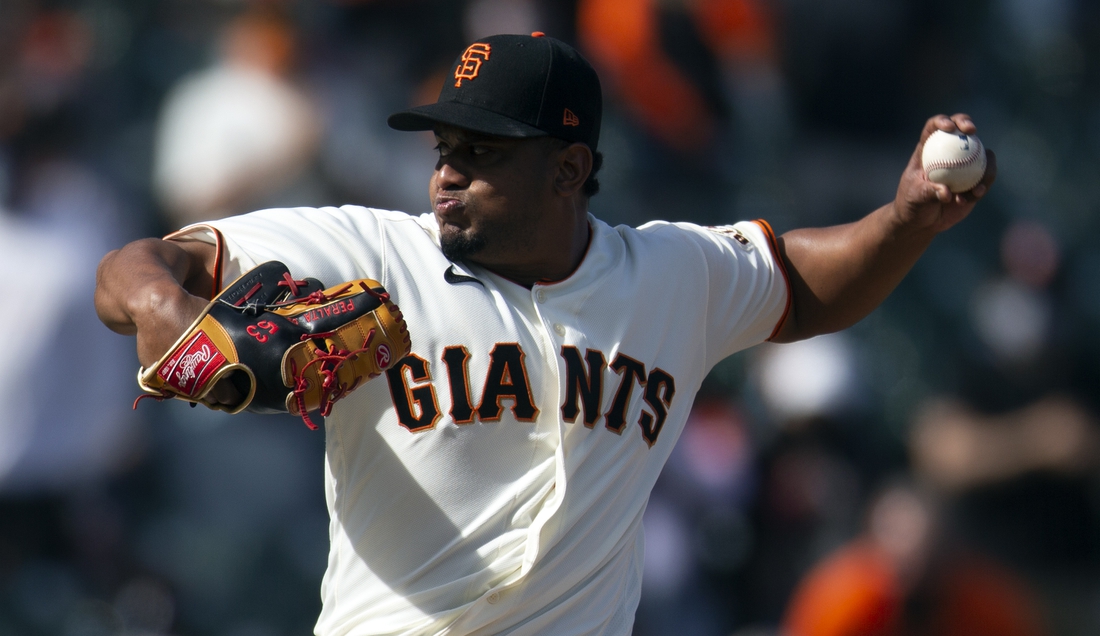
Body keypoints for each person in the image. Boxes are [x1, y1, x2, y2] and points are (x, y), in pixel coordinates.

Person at [94, 33, 995, 635]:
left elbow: (801, 284)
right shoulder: (368, 250)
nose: (447, 174)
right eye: (444, 147)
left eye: (482, 152)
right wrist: (171, 315)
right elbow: (138, 267)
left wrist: (906, 221)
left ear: (570, 168)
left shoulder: (670, 274)